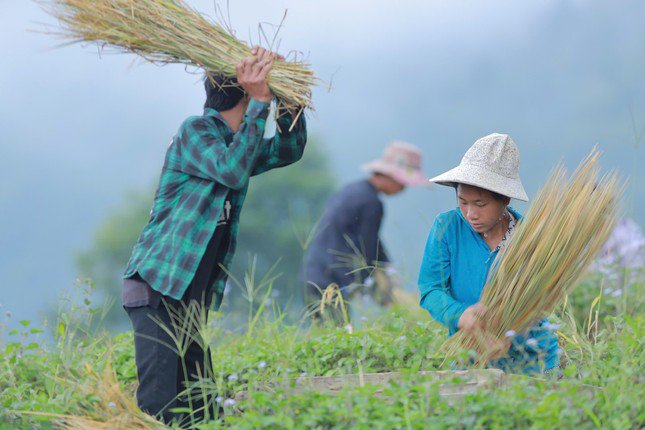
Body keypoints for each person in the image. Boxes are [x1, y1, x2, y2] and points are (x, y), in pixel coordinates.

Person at [121, 47, 307, 423]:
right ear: (245, 94)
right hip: (159, 290)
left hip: (186, 299)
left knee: (201, 408)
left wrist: (289, 100)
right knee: (159, 409)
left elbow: (287, 150)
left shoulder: (237, 143)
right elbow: (232, 171)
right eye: (259, 97)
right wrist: (260, 103)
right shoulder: (196, 131)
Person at [418, 133, 560, 375]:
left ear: (504, 199)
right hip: (470, 361)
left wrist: (511, 332)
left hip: (532, 362)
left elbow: (540, 301)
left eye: (480, 204)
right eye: (463, 202)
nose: (470, 213)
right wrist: (460, 315)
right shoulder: (447, 227)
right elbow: (431, 290)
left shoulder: (530, 239)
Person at [304, 141, 428, 321]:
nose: (403, 188)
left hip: (314, 272)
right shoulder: (371, 203)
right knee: (338, 334)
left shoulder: (352, 190)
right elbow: (367, 248)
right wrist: (379, 284)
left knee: (327, 334)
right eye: (403, 182)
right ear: (388, 175)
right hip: (332, 281)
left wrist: (385, 265)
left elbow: (370, 240)